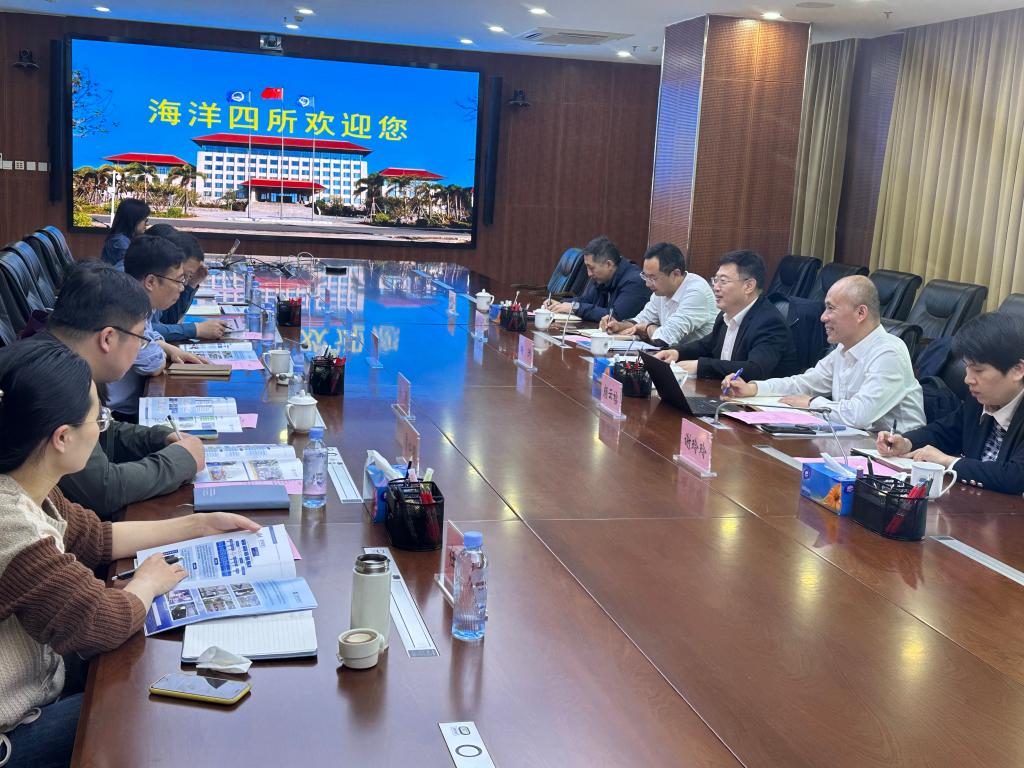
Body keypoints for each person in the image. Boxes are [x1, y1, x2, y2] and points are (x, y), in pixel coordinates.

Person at [0, 338, 259, 768]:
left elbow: (97, 537)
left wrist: (198, 525)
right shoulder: (12, 527)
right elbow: (99, 624)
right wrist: (147, 584)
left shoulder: (26, 484)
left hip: (44, 678)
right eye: (97, 419)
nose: (101, 429)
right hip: (14, 733)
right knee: (152, 710)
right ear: (62, 437)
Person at [36, 261, 205, 520]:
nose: (141, 349)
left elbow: (102, 432)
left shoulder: (59, 358)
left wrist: (159, 438)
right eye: (141, 339)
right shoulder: (53, 382)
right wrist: (181, 461)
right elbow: (102, 490)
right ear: (108, 338)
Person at [726, 275, 925, 432]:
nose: (823, 317)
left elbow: (859, 415)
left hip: (897, 457)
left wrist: (812, 403)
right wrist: (753, 388)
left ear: (860, 313)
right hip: (855, 443)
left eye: (830, 308)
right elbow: (804, 383)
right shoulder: (843, 349)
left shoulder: (889, 352)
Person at [877, 313, 1024, 493]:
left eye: (978, 370)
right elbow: (945, 431)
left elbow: (1015, 476)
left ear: (1017, 370)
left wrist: (947, 461)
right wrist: (906, 442)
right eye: (967, 367)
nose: (968, 379)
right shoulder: (981, 398)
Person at [106, 235, 208, 420]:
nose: (182, 288)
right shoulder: (127, 311)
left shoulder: (136, 301)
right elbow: (153, 364)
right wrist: (160, 351)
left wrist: (167, 348)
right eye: (179, 280)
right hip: (117, 417)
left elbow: (150, 334)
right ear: (151, 282)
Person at [655, 250, 799, 379]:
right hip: (725, 391)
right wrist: (676, 353)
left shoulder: (769, 323)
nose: (716, 287)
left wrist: (700, 366)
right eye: (715, 280)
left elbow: (754, 369)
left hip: (763, 399)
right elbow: (706, 345)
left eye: (723, 281)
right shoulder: (726, 314)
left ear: (749, 286)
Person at [599, 242, 716, 347]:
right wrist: (618, 325)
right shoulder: (661, 290)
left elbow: (665, 339)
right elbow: (641, 320)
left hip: (695, 360)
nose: (647, 284)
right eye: (645, 276)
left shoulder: (696, 293)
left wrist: (647, 327)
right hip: (673, 356)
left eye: (653, 278)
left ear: (675, 274)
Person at [146, 224, 228, 342]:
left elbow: (168, 320)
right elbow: (144, 331)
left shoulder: (157, 290)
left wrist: (192, 283)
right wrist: (196, 329)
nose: (182, 287)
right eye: (182, 277)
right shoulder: (132, 285)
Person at [542, 236, 650, 322]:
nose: (589, 274)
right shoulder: (603, 278)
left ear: (608, 264)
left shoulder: (635, 282)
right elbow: (586, 300)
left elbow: (614, 317)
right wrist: (561, 304)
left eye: (591, 268)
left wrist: (575, 308)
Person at [100, 198, 150, 267]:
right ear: (133, 220)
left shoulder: (124, 239)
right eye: (145, 220)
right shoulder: (120, 242)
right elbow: (131, 267)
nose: (147, 224)